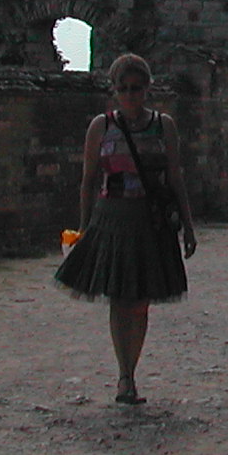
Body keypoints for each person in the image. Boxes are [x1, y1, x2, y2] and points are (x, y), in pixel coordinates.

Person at [54, 53, 198, 404]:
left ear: (147, 88)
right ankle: (125, 376)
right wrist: (84, 227)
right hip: (113, 219)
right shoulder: (100, 127)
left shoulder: (164, 126)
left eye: (136, 88)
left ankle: (130, 368)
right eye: (124, 88)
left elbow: (175, 178)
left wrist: (188, 226)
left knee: (141, 300)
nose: (130, 94)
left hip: (150, 221)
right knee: (119, 298)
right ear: (114, 90)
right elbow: (88, 181)